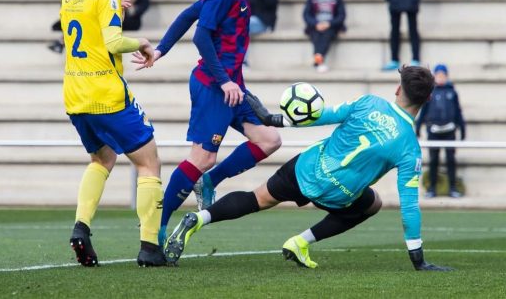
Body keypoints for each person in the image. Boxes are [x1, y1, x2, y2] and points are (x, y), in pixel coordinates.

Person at [164, 66, 453, 272]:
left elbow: (320, 115)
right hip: (338, 195)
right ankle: (301, 242)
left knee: (257, 199)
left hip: (305, 169)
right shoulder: (410, 148)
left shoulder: (369, 103)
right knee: (372, 203)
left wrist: (274, 120)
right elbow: (410, 206)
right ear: (428, 99)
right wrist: (418, 258)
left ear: (398, 88)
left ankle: (199, 218)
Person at [133, 0, 282, 248]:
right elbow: (201, 36)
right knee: (201, 158)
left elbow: (189, 14)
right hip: (214, 87)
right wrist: (225, 80)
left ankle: (210, 182)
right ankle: (155, 231)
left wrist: (160, 50)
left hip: (232, 87)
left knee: (269, 140)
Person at [61, 0, 166, 267]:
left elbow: (87, 35)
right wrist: (144, 42)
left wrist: (115, 12)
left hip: (76, 96)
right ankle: (150, 247)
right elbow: (112, 43)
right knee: (149, 163)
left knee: (101, 160)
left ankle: (81, 228)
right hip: (107, 94)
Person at [416, 64, 466, 199]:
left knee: (451, 159)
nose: (441, 78)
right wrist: (418, 128)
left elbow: (458, 112)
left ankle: (452, 188)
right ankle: (432, 188)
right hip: (433, 131)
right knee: (433, 160)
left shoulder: (452, 92)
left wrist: (462, 129)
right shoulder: (430, 92)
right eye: (438, 75)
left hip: (449, 131)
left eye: (443, 75)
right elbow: (423, 112)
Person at [303, 0, 346, 73]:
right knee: (316, 35)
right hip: (316, 24)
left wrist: (329, 23)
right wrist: (316, 24)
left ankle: (318, 60)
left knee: (327, 35)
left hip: (331, 24)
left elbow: (341, 15)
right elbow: (306, 14)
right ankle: (319, 61)